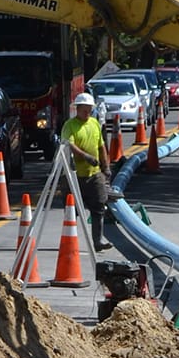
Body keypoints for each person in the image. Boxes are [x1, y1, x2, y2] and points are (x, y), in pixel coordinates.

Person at [60, 91, 113, 252]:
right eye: (85, 109)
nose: (88, 111)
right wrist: (85, 156)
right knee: (72, 210)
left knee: (99, 205)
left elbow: (101, 146)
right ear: (78, 108)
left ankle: (98, 240)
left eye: (90, 109)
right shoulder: (70, 125)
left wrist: (106, 166)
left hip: (93, 174)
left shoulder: (94, 123)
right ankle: (70, 243)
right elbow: (70, 145)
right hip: (73, 175)